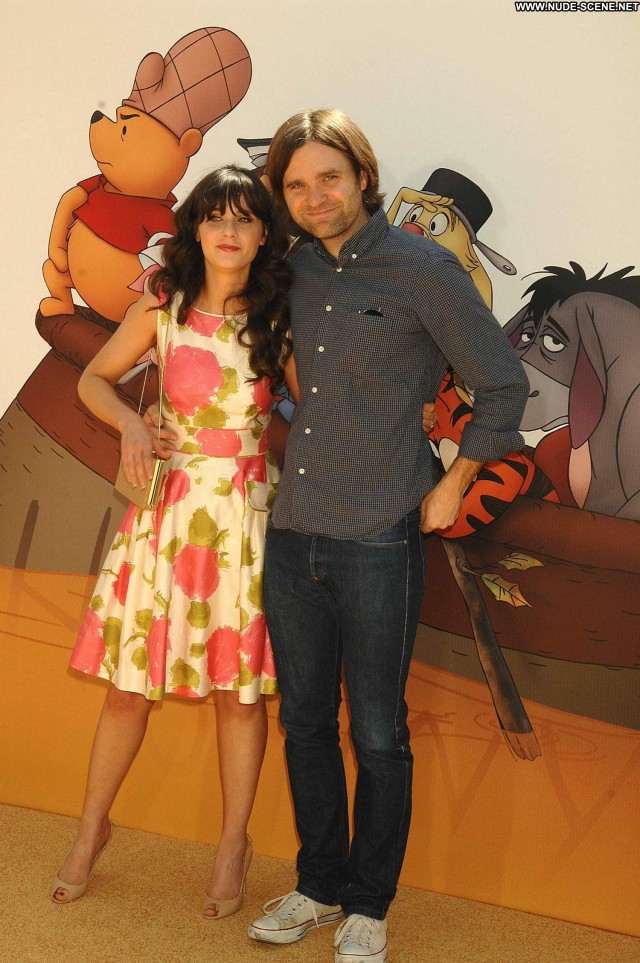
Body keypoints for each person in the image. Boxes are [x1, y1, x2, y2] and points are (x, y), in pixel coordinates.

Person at [247, 110, 529, 963]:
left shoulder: (425, 270)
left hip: (378, 535)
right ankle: (318, 884)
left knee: (376, 731)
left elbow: (503, 385)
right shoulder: (288, 268)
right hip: (293, 532)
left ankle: (369, 904)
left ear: (363, 177)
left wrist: (454, 482)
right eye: (297, 185)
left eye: (329, 178)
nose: (315, 197)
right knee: (303, 722)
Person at [50, 166, 293, 920]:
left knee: (240, 696)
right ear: (195, 229)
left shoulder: (280, 317)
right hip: (166, 514)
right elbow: (93, 379)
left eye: (244, 218)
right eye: (215, 217)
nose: (229, 231)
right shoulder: (165, 304)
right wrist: (131, 421)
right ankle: (91, 831)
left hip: (245, 520)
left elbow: (321, 405)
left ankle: (232, 844)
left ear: (264, 234)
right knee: (128, 687)